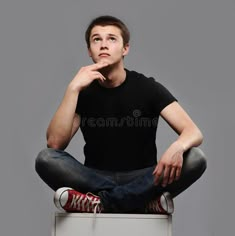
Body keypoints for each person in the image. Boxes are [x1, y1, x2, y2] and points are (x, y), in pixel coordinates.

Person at [35, 15, 207, 214]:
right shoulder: (83, 92)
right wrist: (72, 89)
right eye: (96, 39)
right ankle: (140, 202)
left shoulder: (147, 87)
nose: (103, 45)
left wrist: (178, 146)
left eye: (112, 39)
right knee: (45, 159)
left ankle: (102, 203)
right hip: (94, 177)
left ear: (125, 48)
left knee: (195, 158)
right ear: (89, 51)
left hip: (144, 177)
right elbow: (55, 144)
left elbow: (193, 132)